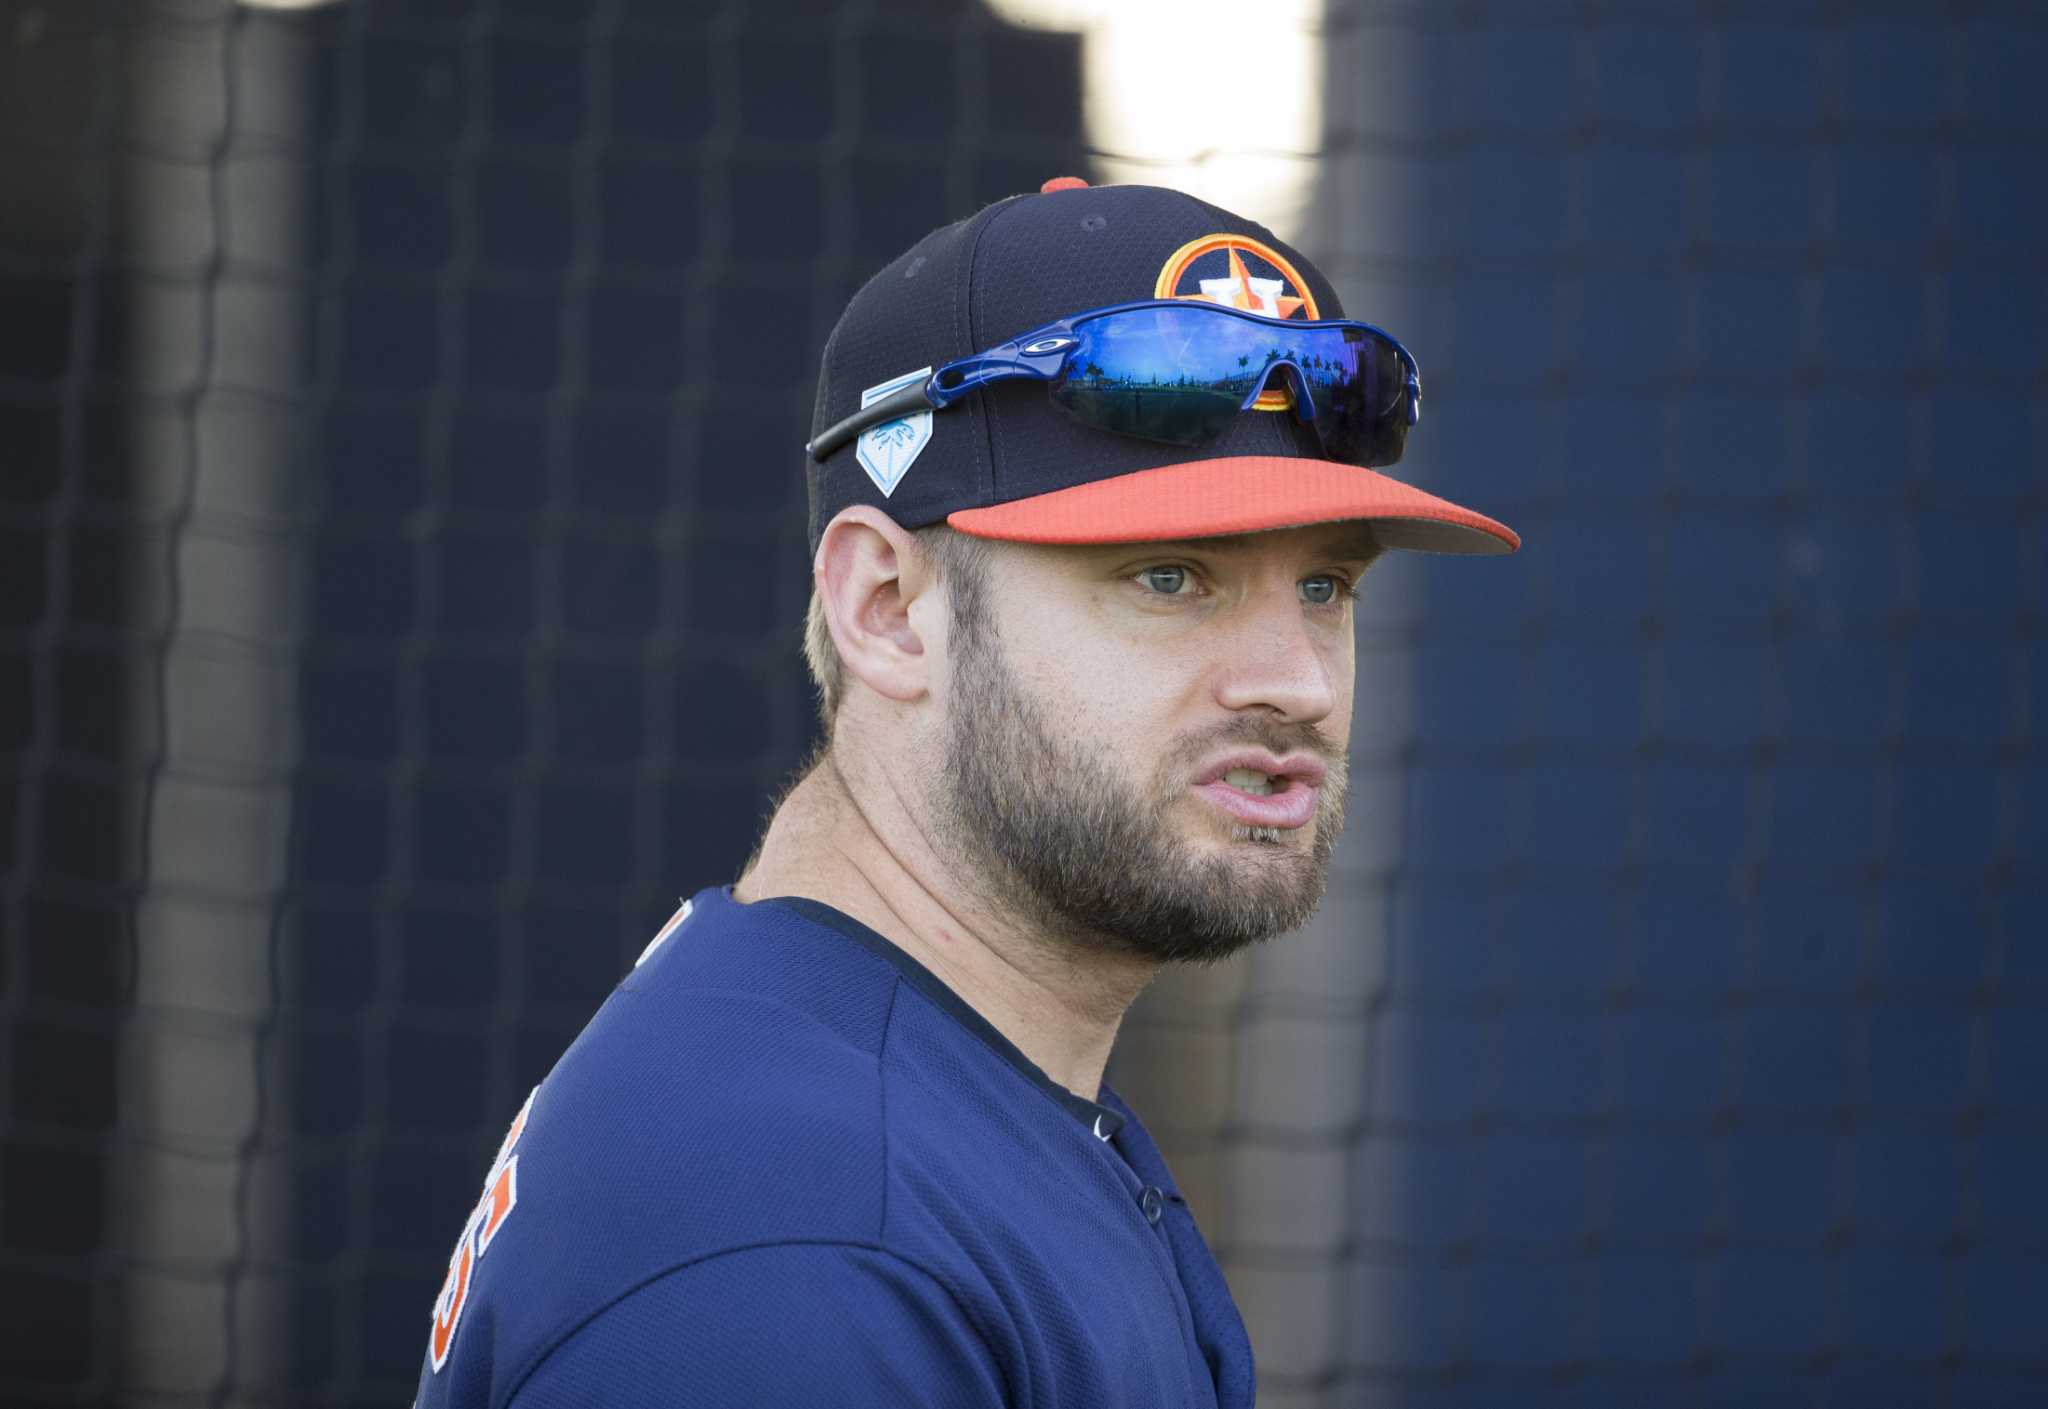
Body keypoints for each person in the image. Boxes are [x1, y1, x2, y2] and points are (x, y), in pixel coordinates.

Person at [412, 178, 1517, 1408]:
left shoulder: (865, 1076)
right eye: (1167, 577)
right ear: (887, 610)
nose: (1297, 682)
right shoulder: (806, 1256)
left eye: (1324, 586)